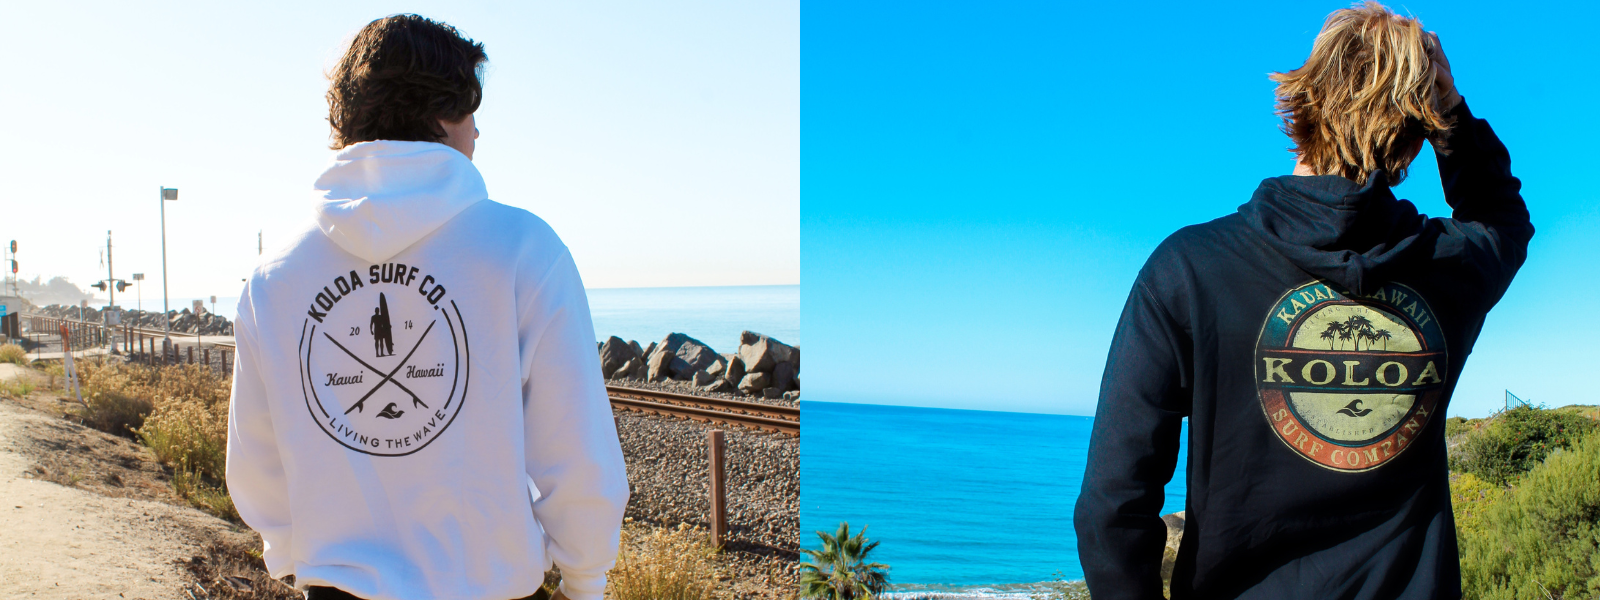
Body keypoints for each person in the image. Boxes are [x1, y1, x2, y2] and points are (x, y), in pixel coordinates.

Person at [1073, 3, 1531, 598]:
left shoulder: (1189, 269)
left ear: (1302, 101)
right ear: (1417, 133)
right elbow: (1501, 217)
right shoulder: (1449, 264)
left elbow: (1114, 504)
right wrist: (1450, 111)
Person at [226, 14, 629, 600]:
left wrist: (291, 553)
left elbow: (256, 460)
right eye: (472, 114)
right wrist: (585, 576)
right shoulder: (521, 249)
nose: (477, 136)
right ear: (442, 114)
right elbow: (575, 449)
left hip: (335, 588)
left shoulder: (274, 276)